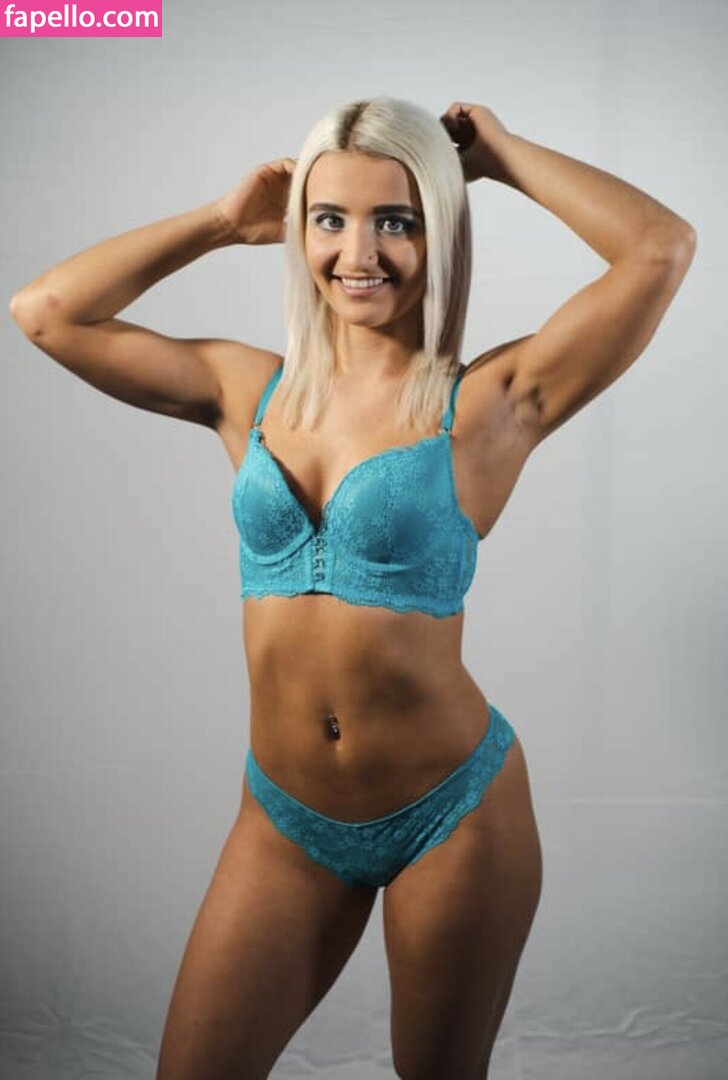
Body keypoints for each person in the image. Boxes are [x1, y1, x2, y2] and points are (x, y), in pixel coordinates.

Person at [10, 96, 696, 1080]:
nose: (358, 253)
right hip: (284, 818)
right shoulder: (246, 393)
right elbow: (46, 312)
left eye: (396, 220)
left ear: (437, 232)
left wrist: (500, 155)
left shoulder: (489, 405)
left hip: (452, 813)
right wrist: (219, 221)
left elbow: (659, 249)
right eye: (328, 219)